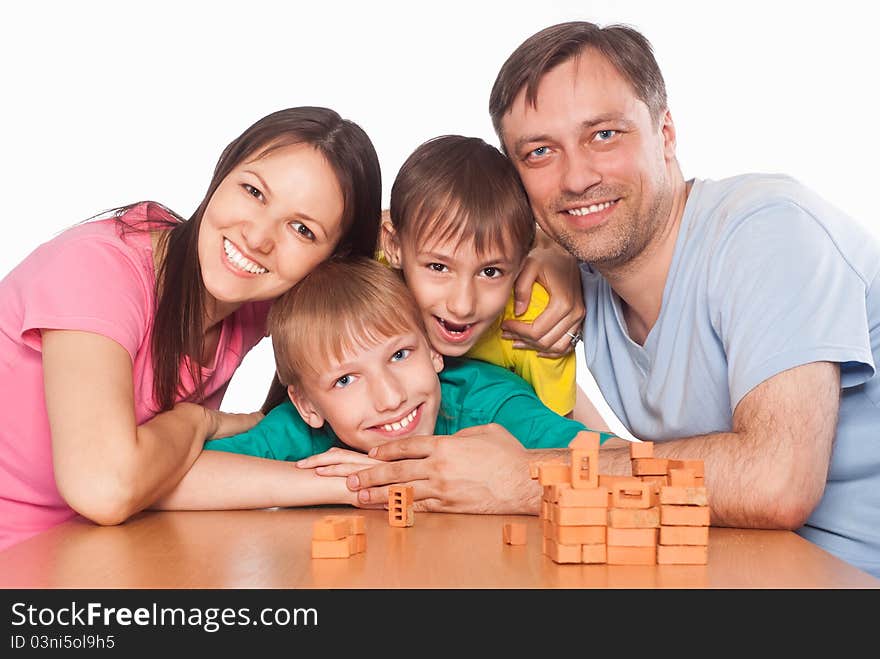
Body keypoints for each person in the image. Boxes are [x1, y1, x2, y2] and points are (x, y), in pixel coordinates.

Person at [347, 21, 880, 578]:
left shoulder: (765, 229)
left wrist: (523, 475)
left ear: (666, 132)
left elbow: (776, 482)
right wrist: (550, 250)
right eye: (539, 152)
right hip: (746, 564)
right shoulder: (575, 279)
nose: (577, 177)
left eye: (605, 135)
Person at [0, 106, 383, 551]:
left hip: (99, 552)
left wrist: (353, 486)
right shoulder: (99, 270)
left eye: (302, 229)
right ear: (223, 172)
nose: (258, 237)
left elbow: (394, 303)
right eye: (254, 191)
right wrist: (194, 421)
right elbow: (104, 489)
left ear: (330, 262)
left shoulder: (260, 300)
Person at [200, 257, 614, 510]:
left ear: (434, 350)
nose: (391, 397)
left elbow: (623, 466)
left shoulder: (489, 403)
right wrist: (355, 484)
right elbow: (173, 483)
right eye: (345, 379)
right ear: (308, 404)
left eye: (400, 355)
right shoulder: (300, 429)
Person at [379, 134, 605, 424]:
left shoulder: (535, 325)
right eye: (438, 267)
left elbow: (560, 439)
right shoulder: (369, 283)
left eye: (489, 272)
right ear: (394, 248)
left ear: (521, 265)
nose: (462, 306)